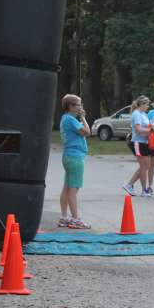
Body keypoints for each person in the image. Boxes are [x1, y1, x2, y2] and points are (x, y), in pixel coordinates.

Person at [59, 94, 91, 229]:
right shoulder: (71, 120)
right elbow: (87, 132)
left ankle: (64, 217)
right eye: (78, 104)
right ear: (71, 106)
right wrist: (83, 117)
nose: (80, 107)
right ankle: (75, 219)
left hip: (68, 156)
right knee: (73, 189)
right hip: (75, 157)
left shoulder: (65, 118)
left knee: (67, 188)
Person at [123, 95, 154, 197]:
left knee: (146, 166)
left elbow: (147, 126)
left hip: (145, 142)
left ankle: (130, 185)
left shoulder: (143, 114)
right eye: (147, 104)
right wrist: (151, 130)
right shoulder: (136, 114)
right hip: (137, 142)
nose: (148, 107)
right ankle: (143, 189)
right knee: (144, 166)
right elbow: (138, 130)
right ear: (142, 104)